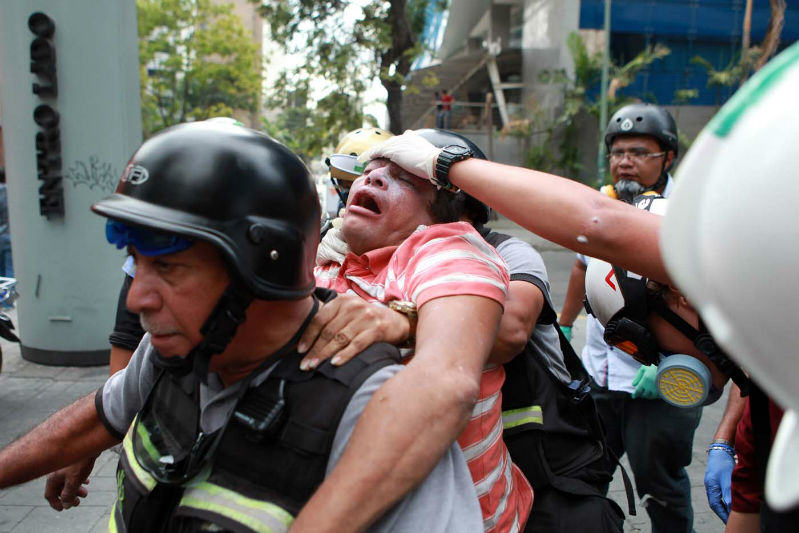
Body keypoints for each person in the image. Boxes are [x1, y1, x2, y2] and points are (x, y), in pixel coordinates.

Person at [358, 40, 799, 517]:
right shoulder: (772, 383)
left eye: (645, 344)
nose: (658, 359)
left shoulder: (726, 257)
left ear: (681, 290)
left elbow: (595, 224)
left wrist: (446, 165)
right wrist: (724, 440)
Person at [0, 121, 484, 532]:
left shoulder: (368, 406)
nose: (136, 298)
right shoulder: (174, 349)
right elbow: (100, 415)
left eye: (169, 269)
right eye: (136, 264)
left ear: (264, 267)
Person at [311, 142, 533, 532]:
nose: (372, 177)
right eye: (368, 171)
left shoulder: (445, 246)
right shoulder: (329, 261)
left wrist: (403, 323)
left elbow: (447, 381)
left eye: (404, 179)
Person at [557, 105, 703, 532]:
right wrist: (566, 326)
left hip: (662, 382)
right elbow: (582, 267)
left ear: (668, 158)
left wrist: (670, 366)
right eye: (618, 151)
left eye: (639, 152)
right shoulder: (601, 203)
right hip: (599, 373)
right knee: (586, 471)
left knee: (660, 483)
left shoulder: (688, 214)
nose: (625, 160)